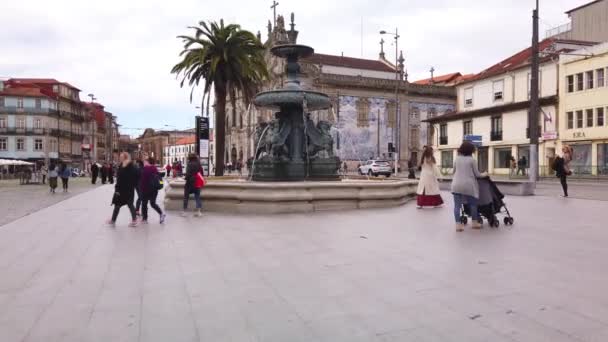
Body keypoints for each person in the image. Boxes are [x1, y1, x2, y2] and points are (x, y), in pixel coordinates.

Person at [451, 141, 483, 232]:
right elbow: (477, 174)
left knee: (457, 206)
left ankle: (458, 225)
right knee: (473, 204)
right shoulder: (472, 160)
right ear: (471, 150)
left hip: (456, 185)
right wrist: (484, 174)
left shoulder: (457, 159)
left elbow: (453, 172)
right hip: (468, 185)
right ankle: (474, 222)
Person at [107, 152, 138, 227]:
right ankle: (113, 220)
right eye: (120, 157)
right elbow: (119, 178)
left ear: (125, 157)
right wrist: (117, 188)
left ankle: (134, 220)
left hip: (128, 189)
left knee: (130, 204)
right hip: (121, 189)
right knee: (117, 204)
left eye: (121, 157)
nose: (120, 158)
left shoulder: (131, 166)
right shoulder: (121, 165)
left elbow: (135, 176)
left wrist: (132, 184)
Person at [140, 157, 166, 224]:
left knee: (144, 204)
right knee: (153, 203)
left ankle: (145, 219)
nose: (144, 163)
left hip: (145, 189)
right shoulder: (154, 168)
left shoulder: (145, 169)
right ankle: (161, 213)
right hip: (154, 189)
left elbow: (142, 180)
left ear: (148, 162)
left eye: (145, 161)